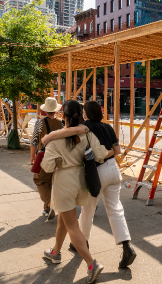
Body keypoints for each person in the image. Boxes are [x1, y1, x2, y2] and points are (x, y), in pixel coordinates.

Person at [42, 101, 136, 269]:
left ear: (84, 114)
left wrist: (49, 137)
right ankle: (126, 245)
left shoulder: (85, 127)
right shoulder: (107, 127)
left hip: (97, 172)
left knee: (88, 210)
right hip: (114, 169)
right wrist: (110, 154)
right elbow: (117, 150)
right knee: (115, 208)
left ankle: (81, 243)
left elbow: (73, 130)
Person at [40, 100, 109, 283]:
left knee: (72, 225)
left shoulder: (55, 138)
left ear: (63, 115)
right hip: (81, 180)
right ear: (81, 114)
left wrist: (60, 161)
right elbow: (101, 154)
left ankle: (91, 263)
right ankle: (55, 252)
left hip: (64, 181)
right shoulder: (87, 135)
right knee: (64, 218)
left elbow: (46, 166)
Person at [30, 97, 64, 220]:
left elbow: (34, 141)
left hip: (44, 156)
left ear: (45, 110)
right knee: (52, 181)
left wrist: (32, 156)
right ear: (56, 110)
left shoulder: (40, 123)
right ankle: (47, 209)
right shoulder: (62, 123)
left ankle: (49, 203)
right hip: (59, 157)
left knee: (40, 180)